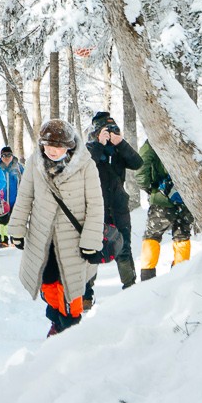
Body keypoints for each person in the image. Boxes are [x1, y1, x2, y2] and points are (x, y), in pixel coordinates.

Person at [6, 119, 105, 335]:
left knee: (71, 285)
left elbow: (96, 205)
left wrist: (91, 241)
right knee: (48, 281)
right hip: (43, 237)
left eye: (57, 147)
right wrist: (16, 230)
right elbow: (25, 196)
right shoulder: (34, 162)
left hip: (73, 239)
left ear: (69, 146)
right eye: (48, 146)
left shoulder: (86, 166)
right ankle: (56, 319)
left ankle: (70, 328)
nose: (51, 151)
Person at [85, 113, 143, 297]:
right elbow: (85, 167)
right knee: (92, 250)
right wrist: (99, 145)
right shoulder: (89, 149)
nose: (110, 134)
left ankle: (130, 289)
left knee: (124, 248)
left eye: (112, 129)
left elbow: (137, 163)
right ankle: (86, 294)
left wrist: (121, 143)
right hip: (95, 209)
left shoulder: (118, 151)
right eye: (105, 130)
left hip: (119, 207)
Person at [137, 138, 193, 278]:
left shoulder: (154, 139)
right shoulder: (187, 135)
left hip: (162, 199)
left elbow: (141, 166)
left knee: (152, 236)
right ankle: (180, 276)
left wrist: (149, 188)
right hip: (185, 199)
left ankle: (147, 278)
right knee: (182, 237)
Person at [0, 145, 23, 246]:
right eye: (4, 156)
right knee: (2, 221)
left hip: (15, 198)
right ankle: (3, 240)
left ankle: (14, 239)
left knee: (15, 219)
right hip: (2, 200)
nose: (6, 158)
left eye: (9, 155)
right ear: (1, 156)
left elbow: (25, 181)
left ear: (12, 156)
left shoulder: (18, 167)